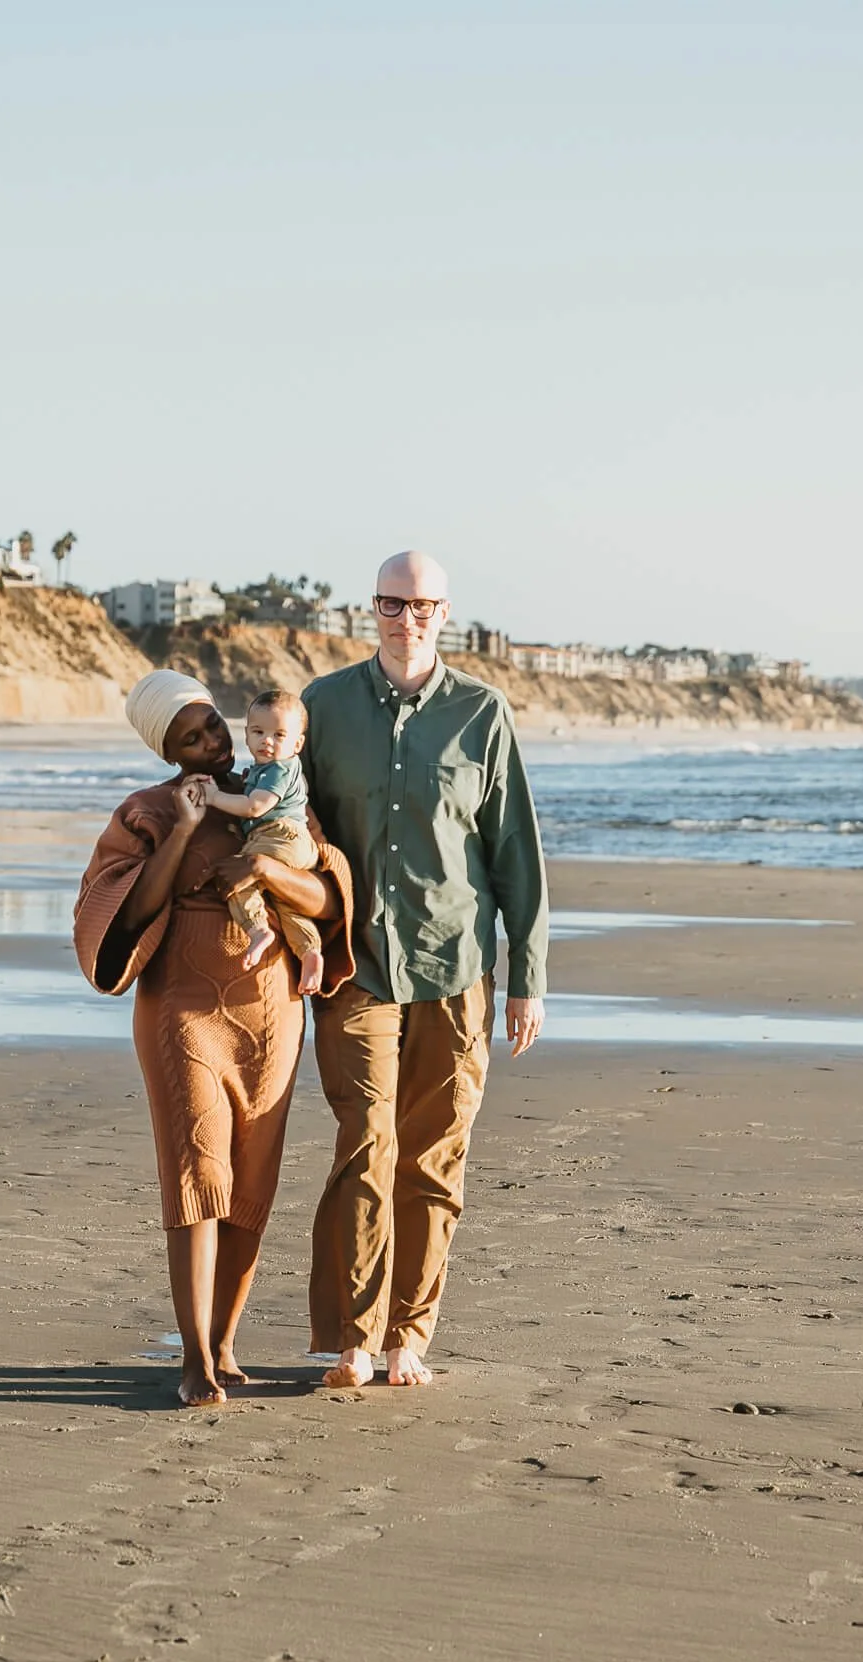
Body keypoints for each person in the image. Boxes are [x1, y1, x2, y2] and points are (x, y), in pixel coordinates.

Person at [74, 669, 354, 1407]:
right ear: (165, 749)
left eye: (212, 725)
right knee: (198, 1171)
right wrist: (187, 827)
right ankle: (194, 1358)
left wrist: (264, 866)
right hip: (184, 1008)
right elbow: (123, 913)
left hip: (272, 1009)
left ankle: (227, 1345)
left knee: (252, 1181)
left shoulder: (276, 791)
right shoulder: (144, 811)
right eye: (188, 736)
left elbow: (326, 893)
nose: (210, 742)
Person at [302, 550, 548, 1390]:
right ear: (371, 609)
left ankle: (410, 1335)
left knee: (434, 1154)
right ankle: (354, 1337)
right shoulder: (323, 707)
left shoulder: (482, 712)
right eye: (391, 603)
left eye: (423, 605)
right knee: (365, 1142)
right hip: (353, 965)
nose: (407, 618)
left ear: (446, 613)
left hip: (458, 965)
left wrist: (528, 976)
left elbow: (514, 849)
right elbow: (290, 827)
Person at [196, 689, 326, 993]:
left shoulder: (280, 769)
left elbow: (255, 807)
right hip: (294, 843)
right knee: (286, 902)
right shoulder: (264, 770)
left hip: (280, 836)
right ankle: (309, 952)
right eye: (259, 732)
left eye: (279, 734)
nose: (267, 741)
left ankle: (256, 930)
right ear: (247, 735)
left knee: (238, 878)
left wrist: (215, 797)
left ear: (297, 744)